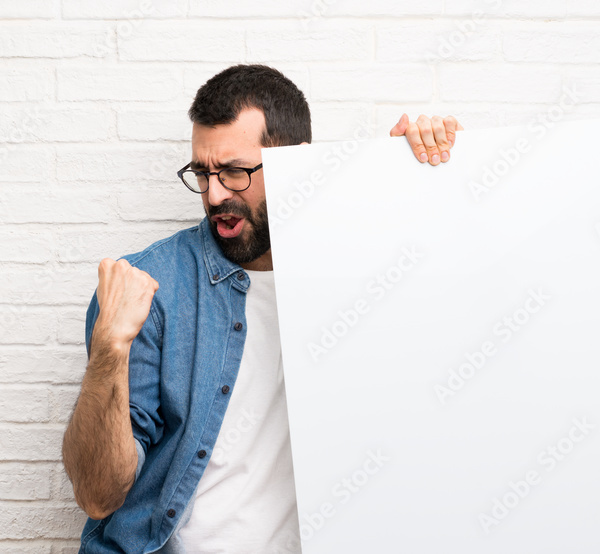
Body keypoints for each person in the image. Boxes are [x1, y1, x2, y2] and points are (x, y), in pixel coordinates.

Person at [62, 64, 463, 554]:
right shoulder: (148, 289)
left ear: (296, 161)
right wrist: (109, 349)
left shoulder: (358, 272)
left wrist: (409, 170)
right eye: (202, 173)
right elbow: (98, 494)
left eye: (234, 172)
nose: (213, 196)